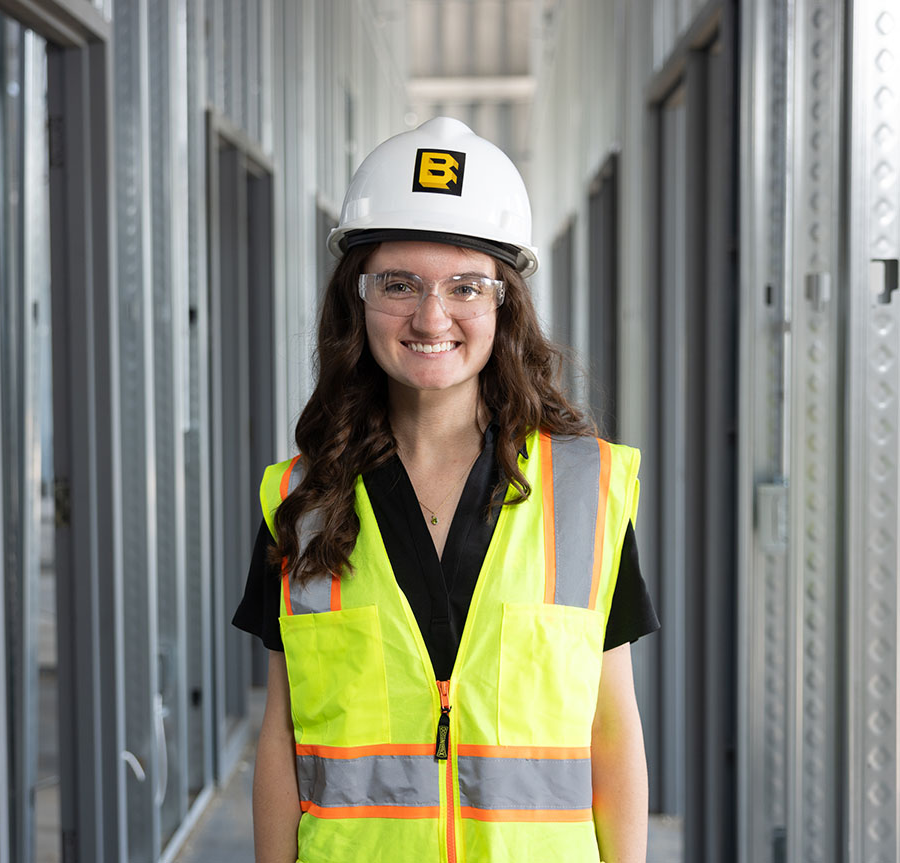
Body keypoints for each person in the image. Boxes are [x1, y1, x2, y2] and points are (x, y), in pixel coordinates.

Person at [233, 116, 658, 863]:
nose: (432, 317)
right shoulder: (301, 501)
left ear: (504, 303)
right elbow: (282, 733)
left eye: (466, 286)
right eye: (400, 284)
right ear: (357, 299)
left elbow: (611, 728)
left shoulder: (587, 491)